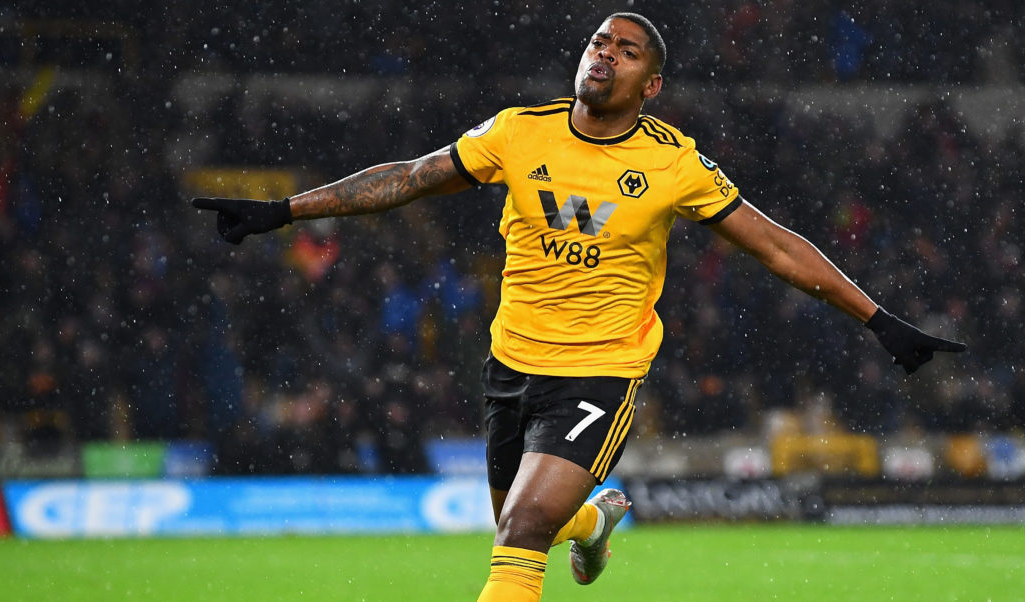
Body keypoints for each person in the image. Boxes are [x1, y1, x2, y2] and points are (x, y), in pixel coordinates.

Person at [192, 12, 965, 601]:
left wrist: (878, 320)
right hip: (511, 366)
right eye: (599, 42)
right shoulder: (518, 132)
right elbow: (409, 178)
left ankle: (575, 520)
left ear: (651, 85)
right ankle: (593, 520)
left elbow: (774, 245)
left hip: (599, 373)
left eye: (626, 51)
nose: (605, 54)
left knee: (522, 529)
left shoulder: (672, 162)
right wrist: (283, 211)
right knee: (523, 522)